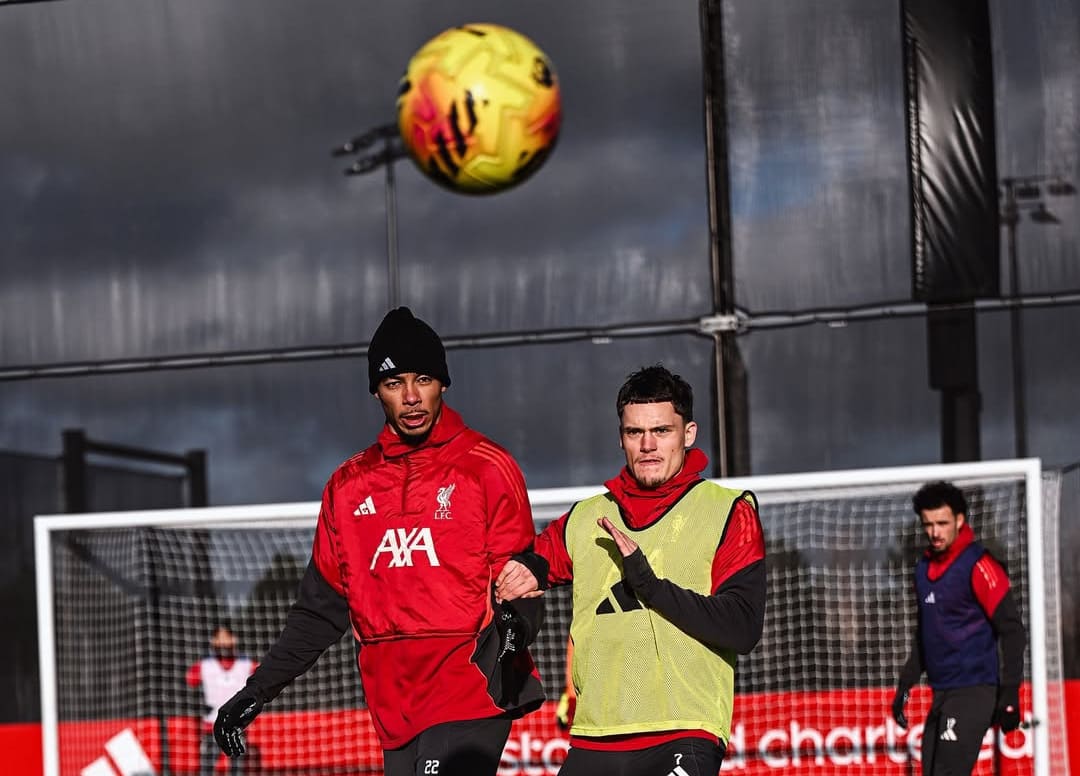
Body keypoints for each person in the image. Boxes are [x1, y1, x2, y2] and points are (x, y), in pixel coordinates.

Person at [212, 306, 545, 776]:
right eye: (394, 383)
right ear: (376, 391)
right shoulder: (347, 487)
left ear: (443, 383)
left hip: (471, 688)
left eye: (423, 379)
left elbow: (521, 579)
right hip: (392, 708)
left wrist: (517, 628)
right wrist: (257, 690)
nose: (410, 397)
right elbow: (319, 612)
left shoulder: (486, 467)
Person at [496, 364, 766, 775]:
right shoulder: (584, 519)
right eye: (635, 432)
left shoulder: (729, 512)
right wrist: (521, 573)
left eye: (662, 430)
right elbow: (535, 561)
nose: (648, 445)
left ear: (688, 434)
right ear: (621, 438)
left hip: (683, 732)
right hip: (594, 737)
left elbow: (742, 628)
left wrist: (650, 587)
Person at [891, 480, 1026, 775]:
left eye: (942, 523)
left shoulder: (979, 565)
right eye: (928, 524)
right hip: (941, 691)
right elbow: (925, 634)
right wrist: (905, 685)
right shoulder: (923, 570)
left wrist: (1010, 694)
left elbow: (1013, 630)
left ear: (960, 520)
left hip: (974, 690)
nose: (935, 532)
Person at [185, 625, 256, 776]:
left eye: (226, 637)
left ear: (234, 639)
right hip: (212, 725)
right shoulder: (205, 665)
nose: (223, 642)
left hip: (237, 725)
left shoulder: (246, 664)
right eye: (219, 637)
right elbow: (189, 680)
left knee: (237, 768)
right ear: (214, 641)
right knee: (207, 767)